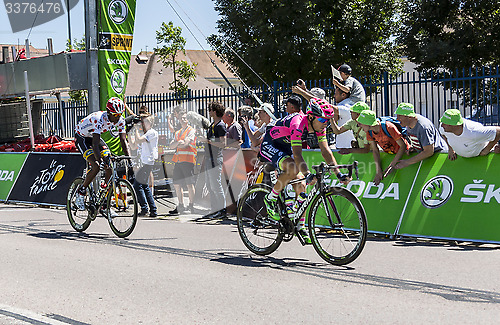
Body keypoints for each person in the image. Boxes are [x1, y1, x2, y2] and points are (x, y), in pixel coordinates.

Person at [259, 99, 350, 244]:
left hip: (286, 145)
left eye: (328, 120)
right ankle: (270, 198)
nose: (325, 123)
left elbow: (326, 152)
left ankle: (300, 226)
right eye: (322, 119)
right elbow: (297, 155)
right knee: (294, 168)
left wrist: (338, 174)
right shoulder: (298, 123)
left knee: (302, 185)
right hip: (272, 143)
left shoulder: (320, 127)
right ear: (312, 117)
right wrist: (308, 174)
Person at [74, 97, 131, 211]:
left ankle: (103, 201)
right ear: (109, 112)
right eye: (115, 115)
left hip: (94, 137)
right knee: (96, 165)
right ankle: (81, 192)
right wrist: (100, 161)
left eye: (119, 114)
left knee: (109, 166)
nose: (117, 117)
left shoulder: (120, 120)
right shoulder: (98, 118)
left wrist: (129, 158)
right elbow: (95, 144)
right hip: (82, 137)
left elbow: (123, 141)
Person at [357, 110, 410, 185]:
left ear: (368, 123)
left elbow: (403, 146)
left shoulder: (389, 127)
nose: (359, 126)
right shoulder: (369, 132)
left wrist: (392, 165)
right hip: (391, 156)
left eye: (360, 123)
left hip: (405, 156)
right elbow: (375, 151)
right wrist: (378, 171)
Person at [393, 103, 448, 170]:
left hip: (439, 157)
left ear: (409, 117)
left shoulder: (423, 127)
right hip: (427, 159)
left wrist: (407, 162)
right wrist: (414, 147)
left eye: (400, 116)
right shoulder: (408, 123)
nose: (397, 118)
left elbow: (429, 151)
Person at [200, 101, 227, 218]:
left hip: (215, 158)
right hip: (209, 158)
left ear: (215, 112)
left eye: (210, 109)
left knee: (216, 185)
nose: (209, 111)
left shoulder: (220, 126)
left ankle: (222, 210)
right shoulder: (212, 125)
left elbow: (223, 144)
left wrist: (208, 141)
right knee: (210, 185)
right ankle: (214, 209)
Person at [168, 111, 197, 215]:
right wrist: (178, 143)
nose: (183, 120)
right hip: (179, 160)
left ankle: (191, 205)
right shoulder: (178, 132)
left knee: (189, 184)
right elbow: (171, 146)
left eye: (185, 118)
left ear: (188, 119)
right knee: (177, 184)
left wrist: (178, 143)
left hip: (188, 160)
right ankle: (180, 205)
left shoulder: (191, 130)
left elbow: (186, 143)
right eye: (181, 118)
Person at [132, 114, 159, 217]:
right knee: (144, 185)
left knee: (137, 185)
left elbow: (138, 140)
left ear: (150, 123)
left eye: (146, 122)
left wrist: (135, 130)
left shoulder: (152, 133)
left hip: (148, 162)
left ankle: (146, 208)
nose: (143, 124)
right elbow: (135, 144)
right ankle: (151, 209)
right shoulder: (147, 133)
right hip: (145, 161)